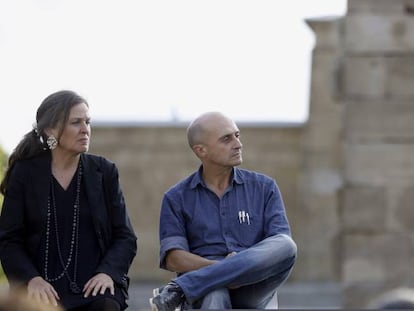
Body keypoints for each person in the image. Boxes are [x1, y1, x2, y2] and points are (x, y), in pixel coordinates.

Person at [0, 90, 137, 311]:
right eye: (76, 122)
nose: (86, 130)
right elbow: (8, 239)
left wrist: (108, 272)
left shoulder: (104, 171)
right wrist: (31, 279)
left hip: (95, 288)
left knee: (106, 305)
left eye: (88, 122)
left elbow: (125, 236)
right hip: (41, 289)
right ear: (50, 130)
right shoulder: (25, 173)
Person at [150, 112, 297, 311]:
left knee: (286, 244)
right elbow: (173, 258)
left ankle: (180, 290)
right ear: (201, 150)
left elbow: (279, 250)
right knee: (214, 292)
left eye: (237, 135)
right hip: (205, 292)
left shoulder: (264, 187)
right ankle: (198, 284)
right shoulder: (176, 197)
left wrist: (234, 271)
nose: (238, 144)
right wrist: (222, 272)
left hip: (253, 287)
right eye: (226, 139)